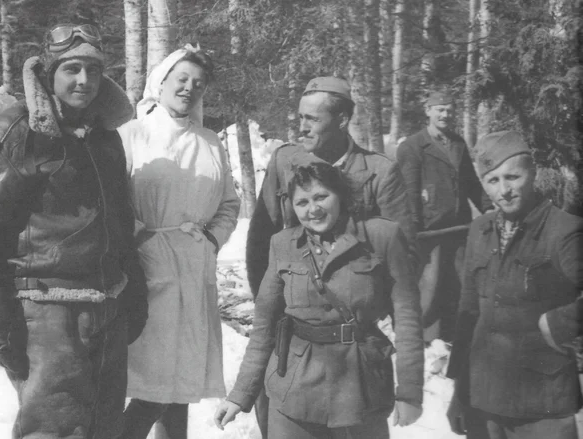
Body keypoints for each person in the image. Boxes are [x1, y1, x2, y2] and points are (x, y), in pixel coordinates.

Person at [0, 22, 147, 439]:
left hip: (108, 309)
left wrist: (134, 292)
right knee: (54, 431)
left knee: (106, 430)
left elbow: (119, 224)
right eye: (71, 68)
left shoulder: (104, 137)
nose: (84, 81)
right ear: (49, 72)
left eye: (93, 70)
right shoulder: (9, 135)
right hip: (46, 315)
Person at [246, 76, 415, 437]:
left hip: (352, 333)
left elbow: (404, 257)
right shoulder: (285, 161)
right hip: (293, 318)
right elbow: (262, 238)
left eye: (313, 119)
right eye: (300, 117)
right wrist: (271, 301)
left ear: (342, 120)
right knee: (279, 408)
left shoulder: (380, 172)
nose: (301, 127)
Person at [215, 162, 424, 438]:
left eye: (321, 197)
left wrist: (410, 393)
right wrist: (239, 395)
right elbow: (264, 327)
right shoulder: (283, 244)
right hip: (295, 387)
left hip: (361, 388)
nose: (312, 209)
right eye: (302, 202)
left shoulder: (380, 237)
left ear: (340, 195)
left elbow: (407, 317)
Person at [117, 45, 240, 439]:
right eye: (182, 79)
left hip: (194, 267)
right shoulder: (133, 134)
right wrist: (141, 242)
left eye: (199, 84)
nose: (189, 88)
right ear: (162, 81)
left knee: (182, 383)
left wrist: (212, 240)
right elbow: (112, 199)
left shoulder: (210, 141)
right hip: (146, 268)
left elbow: (229, 203)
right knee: (152, 384)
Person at [446, 131, 582, 439]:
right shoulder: (479, 230)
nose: (504, 190)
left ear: (532, 174)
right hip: (483, 397)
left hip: (542, 403)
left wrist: (561, 323)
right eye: (492, 181)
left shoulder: (564, 231)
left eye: (513, 177)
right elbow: (468, 312)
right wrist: (459, 391)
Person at [396, 91, 492, 342]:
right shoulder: (412, 146)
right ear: (427, 110)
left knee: (458, 283)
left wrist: (488, 208)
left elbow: (470, 183)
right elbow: (410, 190)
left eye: (449, 110)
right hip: (430, 231)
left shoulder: (458, 143)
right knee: (430, 285)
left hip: (459, 229)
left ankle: (454, 336)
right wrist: (413, 231)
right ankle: (424, 338)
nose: (445, 115)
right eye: (439, 109)